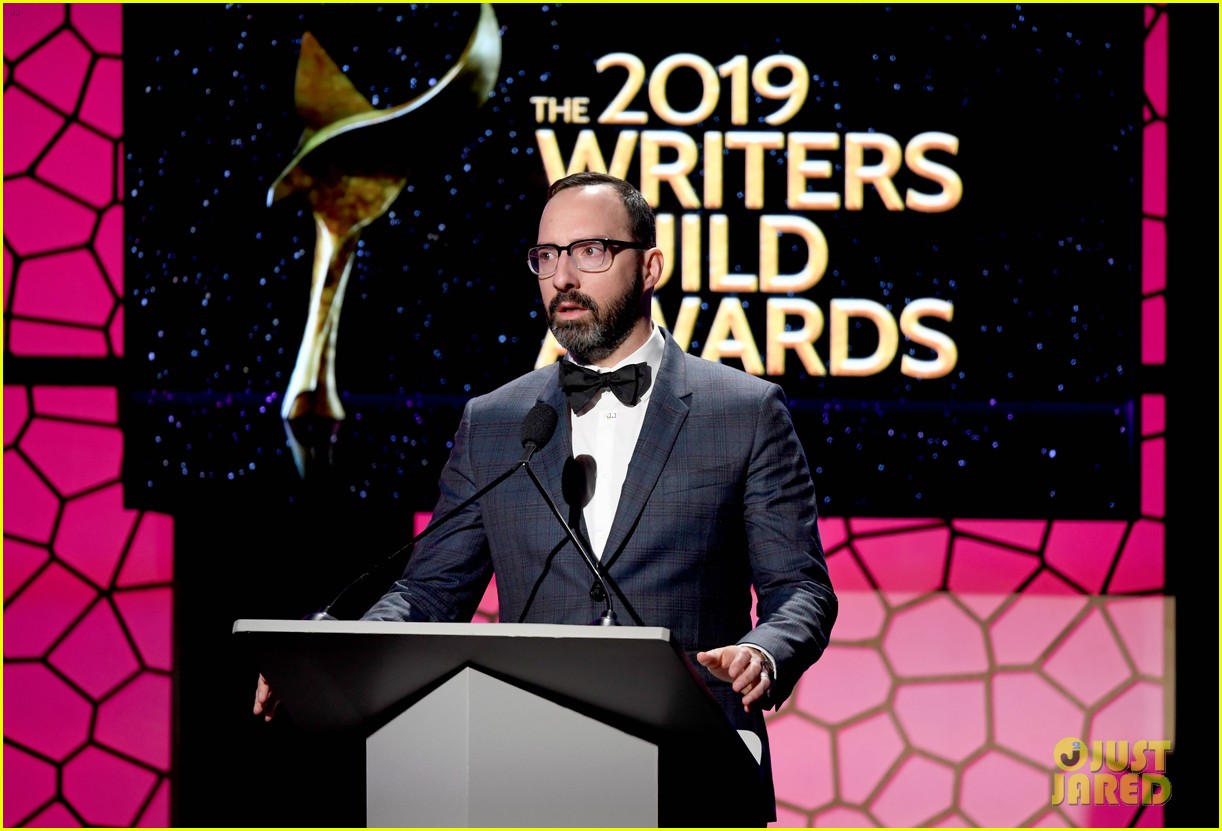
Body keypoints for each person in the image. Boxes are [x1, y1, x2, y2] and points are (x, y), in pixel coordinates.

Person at [254, 171, 837, 822]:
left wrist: (763, 651)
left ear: (649, 267)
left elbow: (802, 591)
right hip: (531, 778)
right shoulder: (495, 421)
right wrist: (331, 657)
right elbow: (429, 592)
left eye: (589, 251)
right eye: (546, 256)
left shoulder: (745, 411)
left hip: (696, 774)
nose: (563, 277)